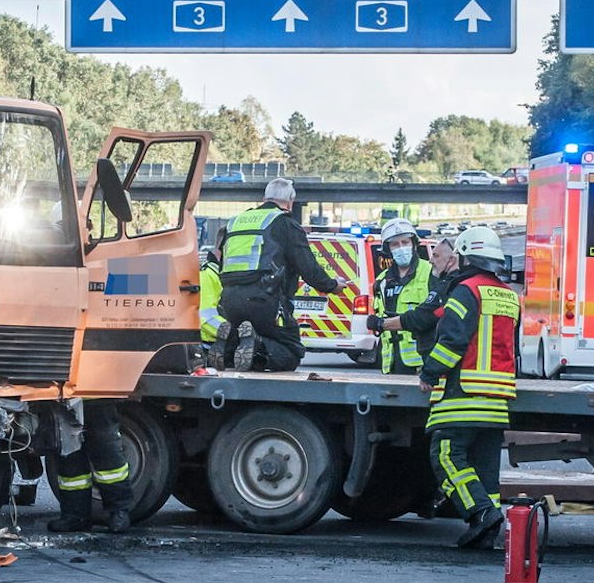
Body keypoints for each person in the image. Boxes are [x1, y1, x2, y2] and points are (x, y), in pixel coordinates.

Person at [418, 226, 521, 549]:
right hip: (498, 397)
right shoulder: (508, 295)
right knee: (485, 469)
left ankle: (481, 514)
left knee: (446, 455)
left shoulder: (465, 291)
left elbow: (452, 340)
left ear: (465, 256)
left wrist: (430, 372)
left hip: (464, 393)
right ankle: (486, 531)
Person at [213, 178, 352, 372]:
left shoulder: (235, 222)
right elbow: (308, 267)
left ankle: (228, 348)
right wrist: (332, 285)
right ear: (290, 202)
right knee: (291, 352)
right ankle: (257, 346)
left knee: (245, 344)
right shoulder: (285, 223)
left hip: (230, 301)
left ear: (264, 198)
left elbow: (222, 261)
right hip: (266, 301)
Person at [47, 399, 133, 533]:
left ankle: (119, 511)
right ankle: (75, 517)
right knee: (69, 455)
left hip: (96, 394)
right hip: (64, 395)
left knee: (106, 451)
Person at [364, 218, 435, 375]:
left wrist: (383, 323)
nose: (401, 248)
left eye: (405, 242)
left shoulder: (431, 273)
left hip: (422, 363)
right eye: (395, 244)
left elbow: (432, 317)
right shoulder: (382, 281)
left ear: (414, 244)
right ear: (388, 249)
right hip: (391, 364)